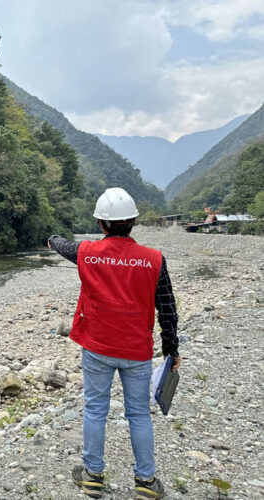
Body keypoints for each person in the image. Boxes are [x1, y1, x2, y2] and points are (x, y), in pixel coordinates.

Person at [47, 187, 180, 500]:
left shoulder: (87, 253)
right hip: (137, 350)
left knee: (95, 409)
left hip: (97, 346)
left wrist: (51, 237)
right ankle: (146, 482)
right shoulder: (154, 260)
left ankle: (92, 475)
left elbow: (64, 246)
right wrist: (171, 349)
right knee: (138, 414)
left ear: (101, 224)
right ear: (133, 220)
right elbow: (167, 309)